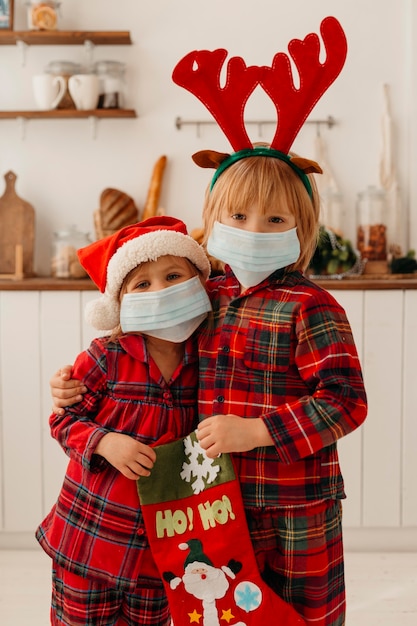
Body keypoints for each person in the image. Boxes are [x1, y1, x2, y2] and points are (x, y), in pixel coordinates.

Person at [51, 150, 367, 626]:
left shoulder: (311, 306)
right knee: (227, 612)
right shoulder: (206, 295)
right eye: (238, 215)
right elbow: (146, 340)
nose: (254, 230)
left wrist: (258, 431)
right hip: (217, 504)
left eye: (275, 218)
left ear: (302, 227)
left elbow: (345, 402)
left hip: (295, 505)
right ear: (213, 219)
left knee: (303, 616)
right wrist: (71, 385)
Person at [37, 215, 211, 626]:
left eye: (173, 276)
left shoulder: (208, 361)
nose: (162, 291)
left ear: (197, 281)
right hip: (91, 537)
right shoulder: (106, 356)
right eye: (143, 284)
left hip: (162, 548)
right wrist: (103, 441)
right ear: (121, 300)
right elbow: (63, 421)